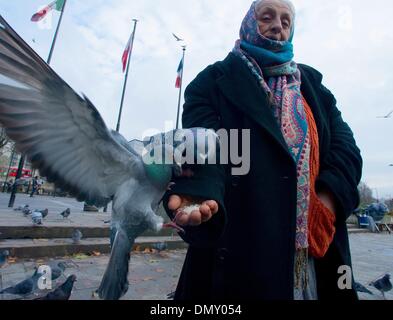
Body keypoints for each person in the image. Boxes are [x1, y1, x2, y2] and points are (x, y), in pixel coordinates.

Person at [163, 0, 362, 300]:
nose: (277, 26)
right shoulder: (212, 83)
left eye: (286, 21)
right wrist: (202, 193)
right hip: (244, 252)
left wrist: (327, 201)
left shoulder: (314, 87)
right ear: (247, 24)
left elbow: (346, 148)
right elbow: (209, 147)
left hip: (316, 254)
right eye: (266, 17)